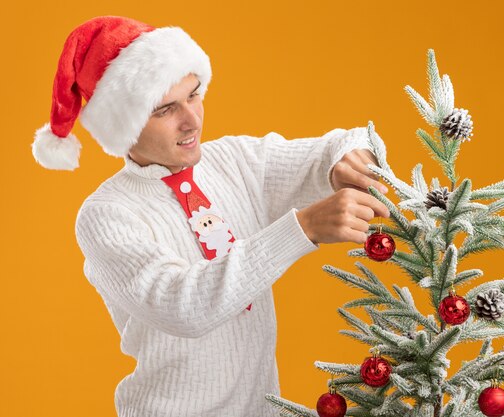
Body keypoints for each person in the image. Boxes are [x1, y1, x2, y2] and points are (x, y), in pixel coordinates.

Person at [31, 16, 391, 417]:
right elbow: (183, 306)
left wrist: (346, 160)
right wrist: (302, 228)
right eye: (166, 109)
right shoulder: (107, 215)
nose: (192, 120)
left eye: (194, 94)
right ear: (125, 128)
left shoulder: (233, 160)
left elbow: (348, 140)